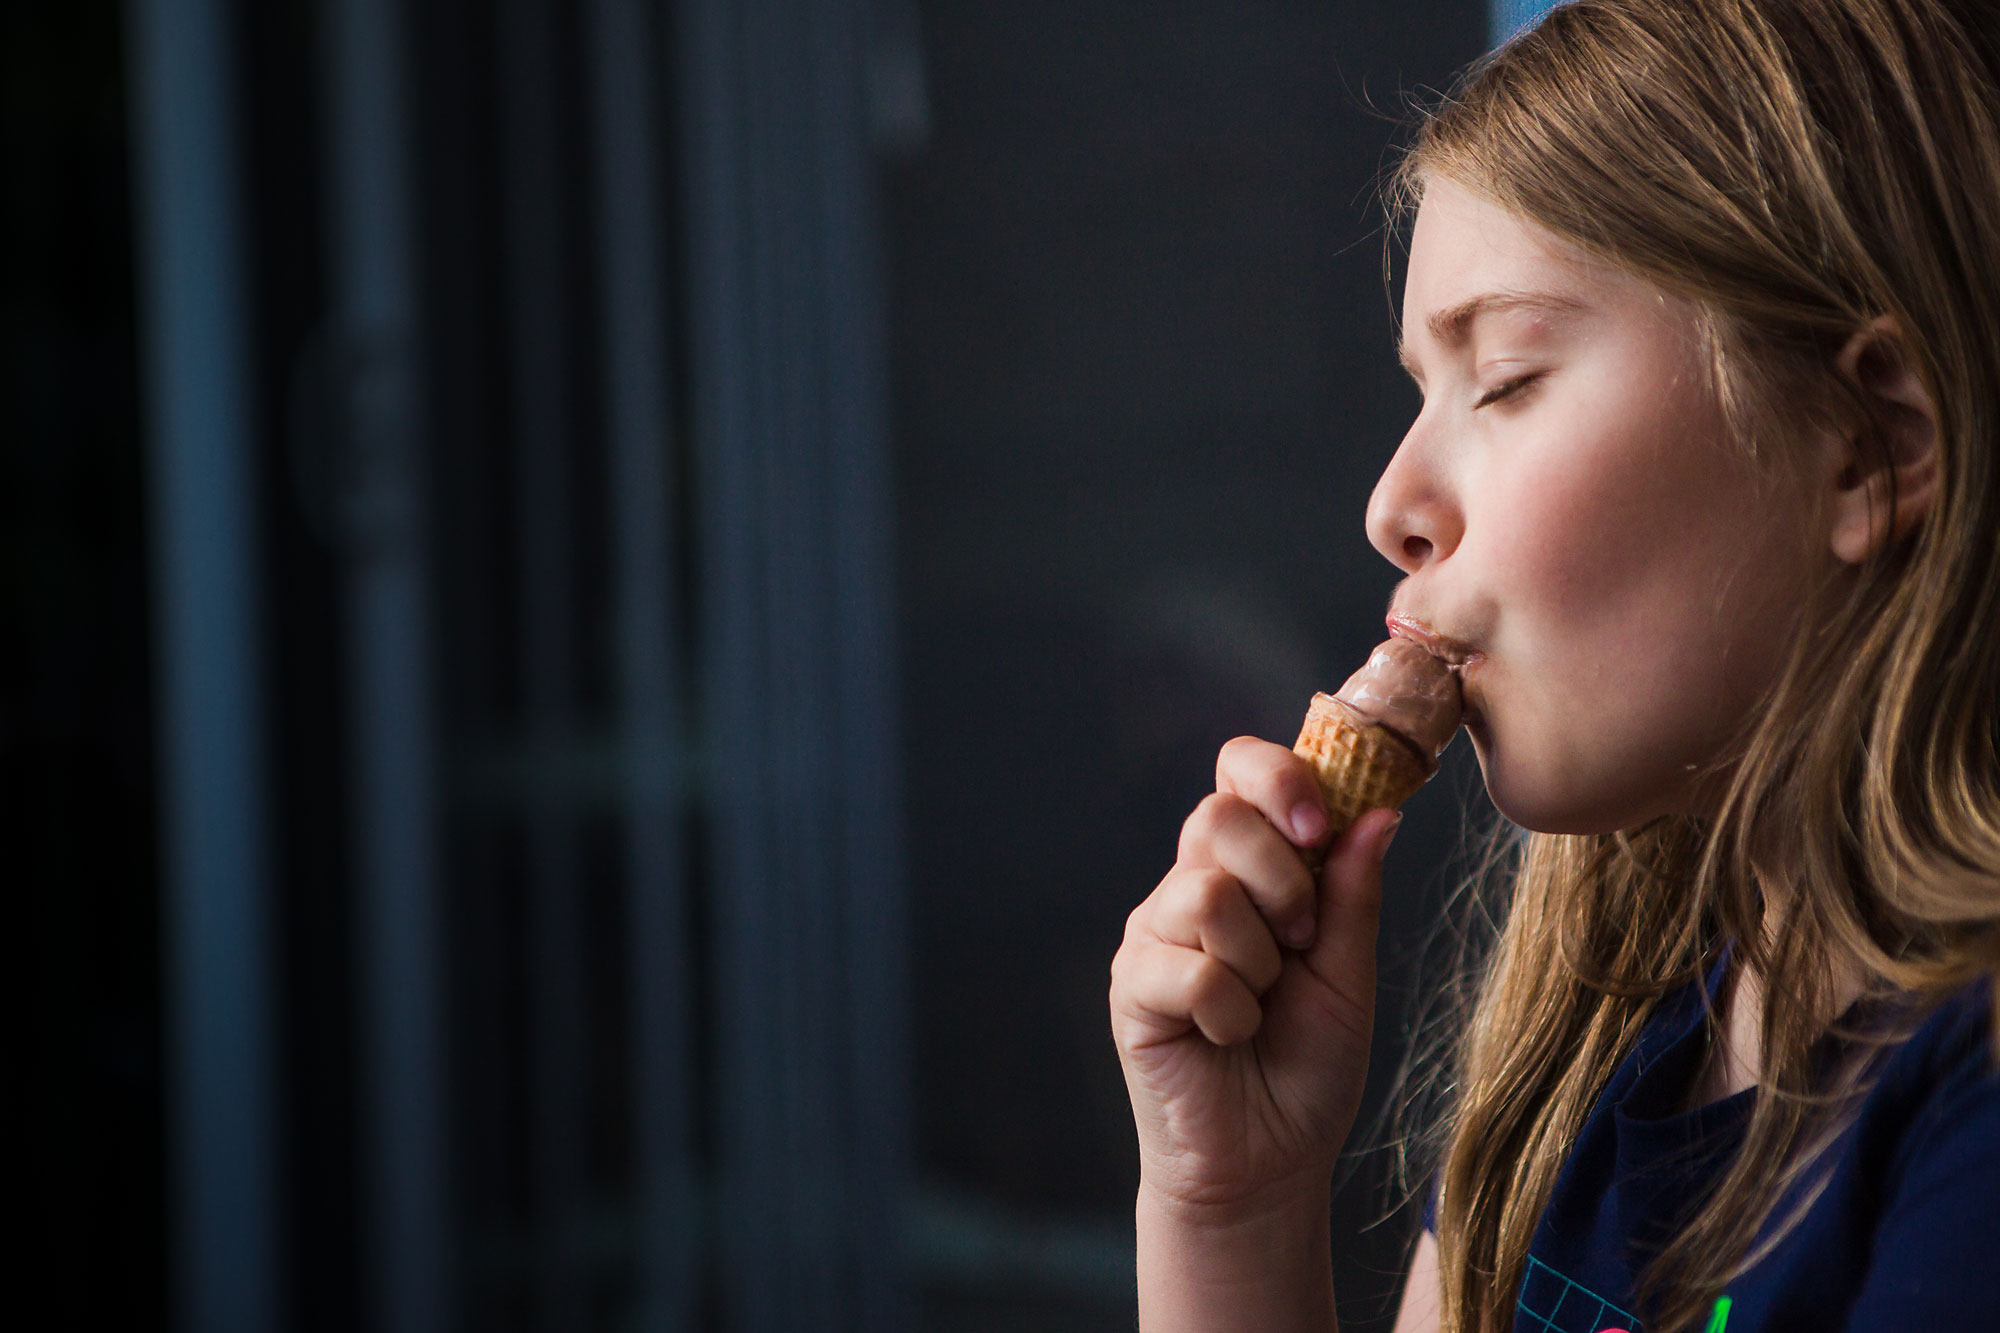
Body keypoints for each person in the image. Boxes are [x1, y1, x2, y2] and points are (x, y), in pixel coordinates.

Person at [1106, 1, 2000, 1329]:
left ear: (1871, 442)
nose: (1391, 501)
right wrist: (1229, 1204)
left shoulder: (1968, 1119)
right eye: (1421, 388)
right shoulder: (1580, 1057)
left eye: (1508, 377)